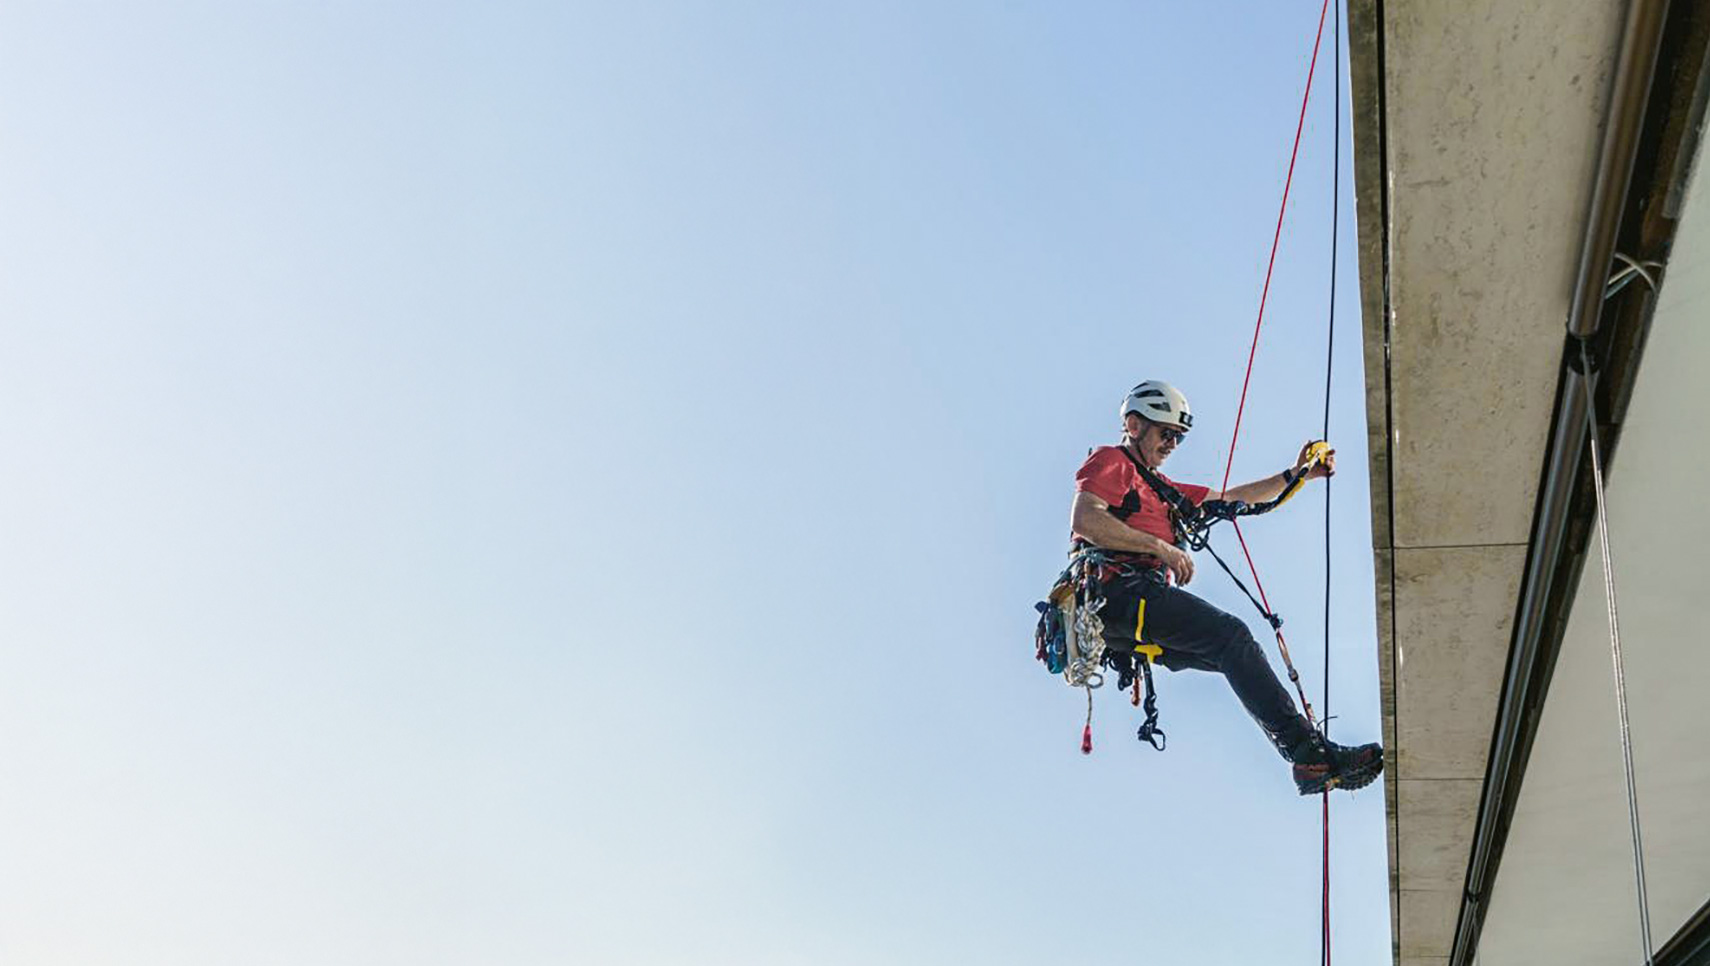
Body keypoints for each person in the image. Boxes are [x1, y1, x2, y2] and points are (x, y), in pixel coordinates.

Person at [1069, 380, 1383, 795]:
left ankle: (1308, 758)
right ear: (1133, 424)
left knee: (1232, 657)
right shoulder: (1113, 461)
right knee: (1231, 637)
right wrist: (1160, 547)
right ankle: (1309, 753)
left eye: (1178, 437)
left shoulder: (1165, 492)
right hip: (1117, 596)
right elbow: (1086, 519)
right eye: (1165, 433)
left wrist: (1298, 475)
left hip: (1131, 611)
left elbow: (1236, 498)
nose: (1172, 443)